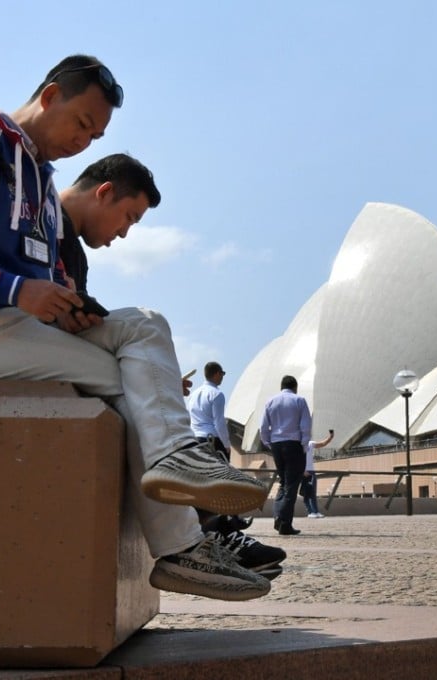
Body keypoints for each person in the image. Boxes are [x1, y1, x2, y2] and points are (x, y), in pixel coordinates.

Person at [0, 59, 270, 601]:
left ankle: (175, 461)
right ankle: (181, 547)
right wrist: (17, 291)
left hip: (13, 326)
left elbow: (40, 286)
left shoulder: (42, 186)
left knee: (144, 326)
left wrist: (66, 308)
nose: (84, 141)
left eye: (95, 134)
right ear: (50, 97)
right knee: (124, 381)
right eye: (81, 123)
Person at [58, 166, 287, 580]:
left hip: (53, 354)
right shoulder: (34, 215)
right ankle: (203, 533)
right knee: (146, 327)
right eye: (129, 216)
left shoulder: (69, 248)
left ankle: (197, 540)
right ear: (104, 193)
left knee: (145, 405)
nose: (125, 233)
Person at [260, 375, 312, 536]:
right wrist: (303, 446)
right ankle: (284, 523)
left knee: (283, 482)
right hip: (293, 444)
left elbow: (263, 427)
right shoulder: (299, 400)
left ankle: (278, 516)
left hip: (276, 444)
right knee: (291, 485)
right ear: (295, 387)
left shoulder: (270, 401)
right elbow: (305, 426)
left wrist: (269, 443)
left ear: (281, 386)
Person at [302, 430, 334, 518]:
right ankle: (311, 512)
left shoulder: (310, 444)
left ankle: (315, 512)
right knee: (305, 493)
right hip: (302, 472)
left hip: (311, 471)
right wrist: (302, 471)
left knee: (312, 492)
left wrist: (330, 437)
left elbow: (322, 444)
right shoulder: (298, 445)